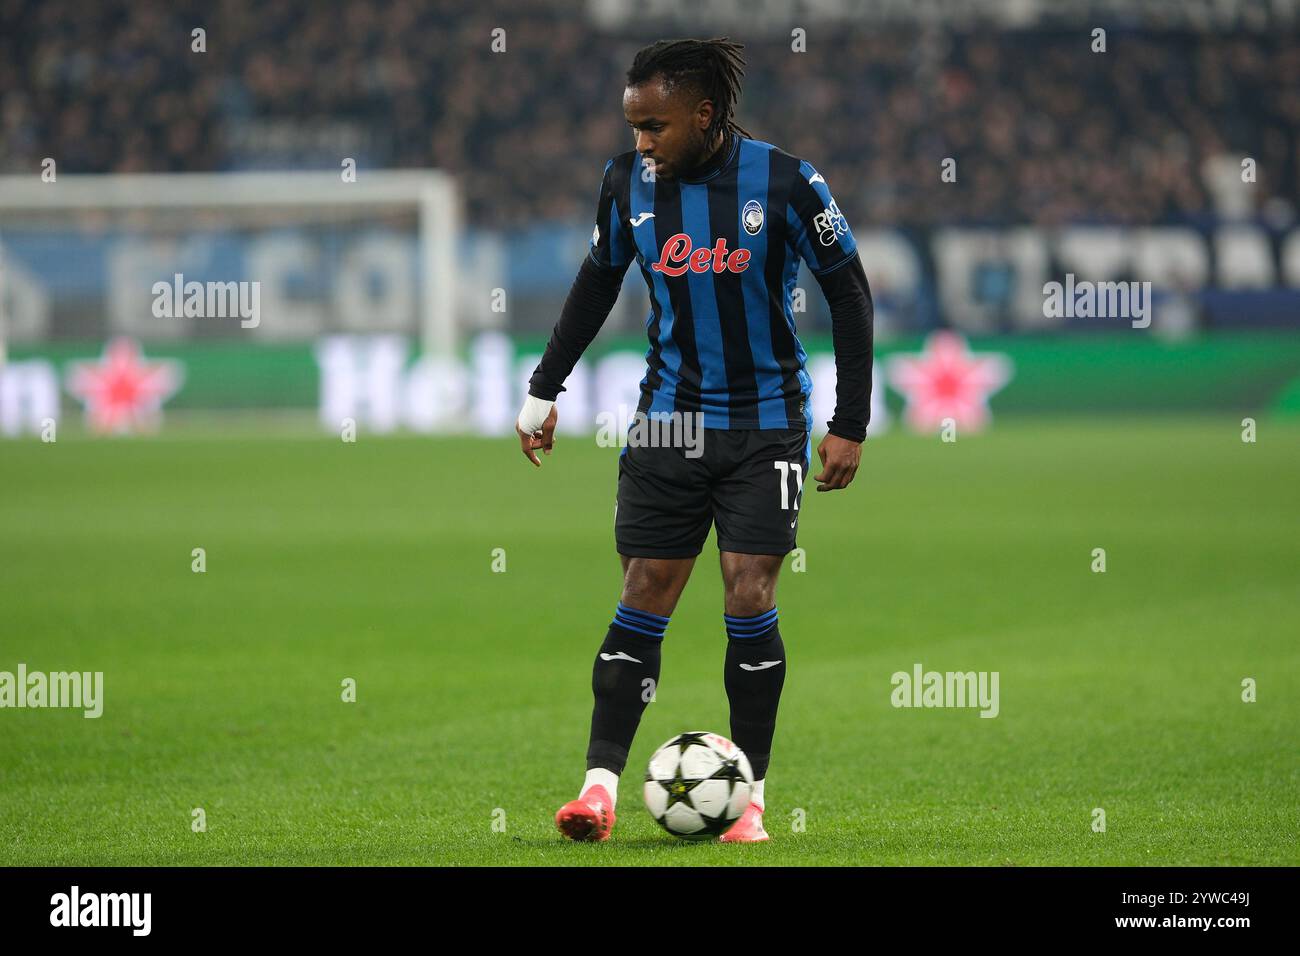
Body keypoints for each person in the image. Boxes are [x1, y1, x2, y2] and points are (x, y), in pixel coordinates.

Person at [515, 37, 873, 842]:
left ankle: (748, 802)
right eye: (634, 125)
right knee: (644, 589)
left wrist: (850, 422)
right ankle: (597, 790)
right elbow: (597, 281)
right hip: (668, 420)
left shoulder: (787, 181)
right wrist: (544, 388)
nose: (641, 142)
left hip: (766, 422)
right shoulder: (625, 183)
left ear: (705, 116)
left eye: (655, 126)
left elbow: (848, 292)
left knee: (749, 591)